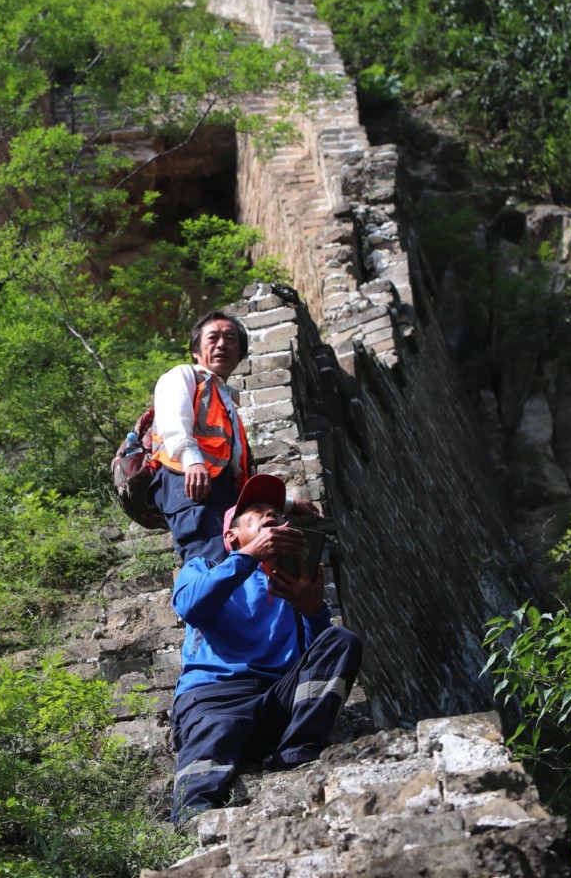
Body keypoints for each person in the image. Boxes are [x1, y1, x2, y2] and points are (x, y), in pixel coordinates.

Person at [169, 473, 363, 829]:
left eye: (275, 512)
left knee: (341, 640)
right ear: (232, 536)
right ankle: (191, 825)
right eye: (256, 512)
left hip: (277, 701)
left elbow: (315, 656)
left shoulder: (288, 581)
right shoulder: (204, 568)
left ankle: (296, 754)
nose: (270, 514)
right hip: (217, 697)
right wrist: (247, 558)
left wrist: (312, 609)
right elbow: (190, 606)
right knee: (216, 731)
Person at [150, 310, 317, 564]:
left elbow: (238, 477)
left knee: (236, 564)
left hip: (221, 491)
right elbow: (173, 420)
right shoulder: (183, 375)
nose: (221, 344)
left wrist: (288, 504)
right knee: (209, 557)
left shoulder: (228, 403)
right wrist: (192, 460)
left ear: (239, 355)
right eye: (213, 338)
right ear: (196, 351)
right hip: (189, 481)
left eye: (230, 339)